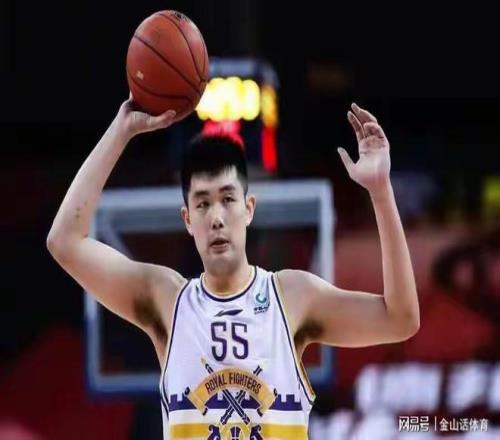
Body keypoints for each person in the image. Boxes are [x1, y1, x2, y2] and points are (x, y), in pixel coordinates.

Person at [47, 98, 420, 440]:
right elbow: (64, 241)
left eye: (227, 199)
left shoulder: (293, 297)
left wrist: (380, 191)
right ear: (187, 219)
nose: (217, 218)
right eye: (203, 204)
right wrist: (121, 130)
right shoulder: (167, 300)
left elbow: (401, 318)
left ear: (249, 209)